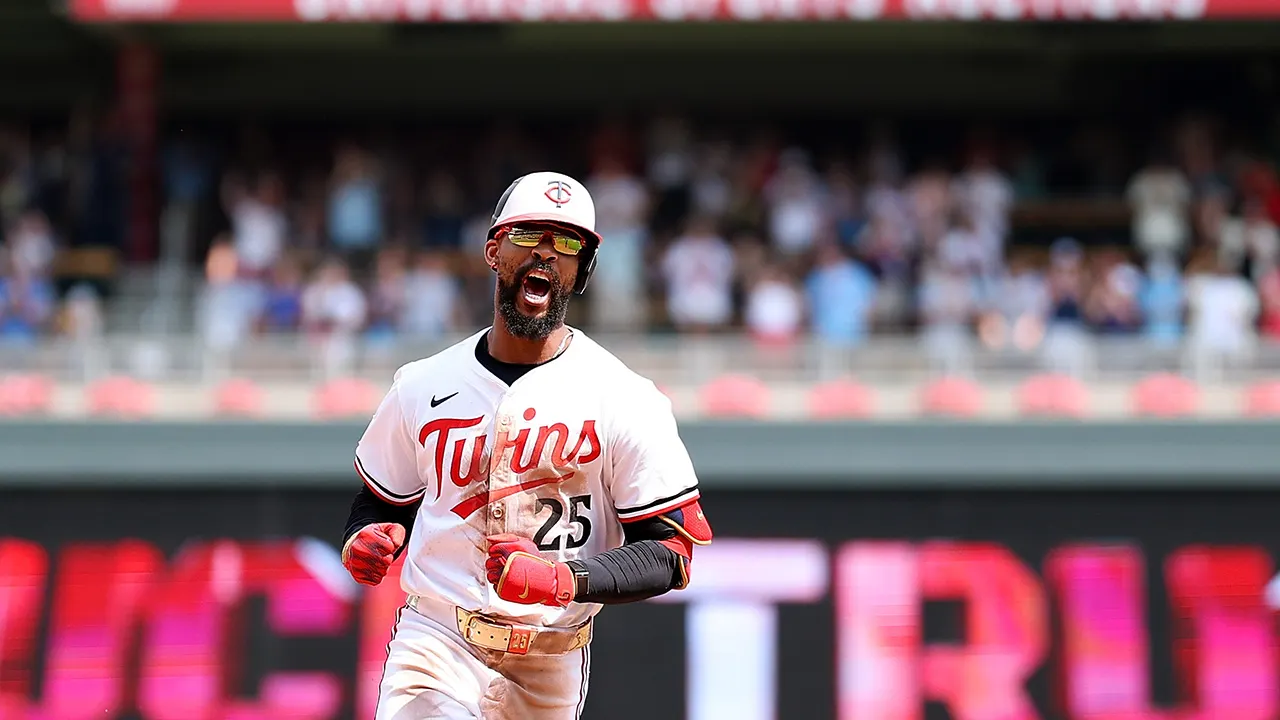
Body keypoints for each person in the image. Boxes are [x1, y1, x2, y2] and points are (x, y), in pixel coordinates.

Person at [340, 171, 713, 720]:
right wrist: (365, 535)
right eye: (528, 234)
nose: (545, 252)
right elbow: (380, 500)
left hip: (551, 662)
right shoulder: (422, 384)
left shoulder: (625, 397)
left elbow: (670, 554)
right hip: (438, 638)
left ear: (581, 270)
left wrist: (564, 579)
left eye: (566, 243)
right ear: (494, 251)